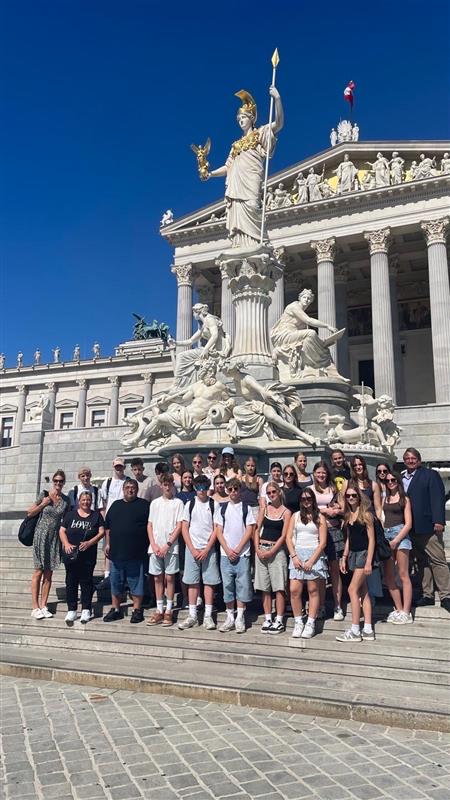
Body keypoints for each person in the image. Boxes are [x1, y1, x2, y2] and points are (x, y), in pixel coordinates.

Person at [207, 86, 284, 250]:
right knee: (237, 215)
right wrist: (210, 174)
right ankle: (240, 246)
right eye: (238, 118)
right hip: (236, 185)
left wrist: (277, 99)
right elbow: (228, 167)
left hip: (251, 180)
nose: (240, 120)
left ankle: (257, 245)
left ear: (251, 118)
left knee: (253, 207)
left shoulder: (260, 133)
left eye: (243, 117)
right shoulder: (235, 145)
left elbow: (278, 124)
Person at [402, 448, 450, 611]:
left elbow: (438, 498)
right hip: (411, 528)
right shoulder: (401, 478)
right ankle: (427, 594)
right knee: (421, 562)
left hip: (428, 526)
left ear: (419, 460)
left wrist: (439, 521)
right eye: (407, 458)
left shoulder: (430, 475)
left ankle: (446, 595)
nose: (410, 461)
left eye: (413, 458)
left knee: (438, 560)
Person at [103, 478, 150, 624]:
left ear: (137, 489)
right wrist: (108, 544)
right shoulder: (115, 505)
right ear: (123, 489)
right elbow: (108, 527)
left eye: (133, 487)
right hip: (116, 553)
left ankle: (137, 610)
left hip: (136, 553)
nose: (130, 489)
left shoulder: (144, 505)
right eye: (127, 487)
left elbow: (151, 526)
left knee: (136, 583)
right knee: (115, 583)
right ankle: (116, 609)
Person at [178, 476, 221, 631]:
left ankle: (208, 616)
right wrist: (192, 549)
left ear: (208, 488)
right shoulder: (189, 504)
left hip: (209, 550)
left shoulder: (214, 504)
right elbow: (184, 528)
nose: (201, 490)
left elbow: (217, 528)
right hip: (192, 550)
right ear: (195, 488)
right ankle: (192, 615)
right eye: (198, 487)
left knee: (209, 582)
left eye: (204, 487)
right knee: (192, 582)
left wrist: (208, 548)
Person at [214, 478, 256, 633]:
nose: (233, 492)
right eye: (230, 489)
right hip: (225, 554)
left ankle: (240, 617)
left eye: (236, 489)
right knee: (227, 586)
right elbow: (218, 531)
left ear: (240, 490)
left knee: (242, 586)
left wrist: (238, 549)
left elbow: (249, 530)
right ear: (227, 490)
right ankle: (230, 617)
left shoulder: (246, 508)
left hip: (242, 554)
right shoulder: (222, 508)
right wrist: (227, 549)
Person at [28, 470, 71, 619]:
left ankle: (44, 605)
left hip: (54, 539)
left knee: (49, 573)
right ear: (53, 481)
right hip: (40, 536)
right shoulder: (44, 494)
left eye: (61, 481)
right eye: (56, 480)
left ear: (64, 483)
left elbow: (66, 522)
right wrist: (43, 504)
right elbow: (30, 512)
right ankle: (35, 607)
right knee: (38, 571)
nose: (58, 483)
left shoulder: (66, 501)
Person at [336, 483, 375, 642]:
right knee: (363, 591)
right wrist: (344, 557)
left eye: (354, 495)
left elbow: (372, 540)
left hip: (364, 555)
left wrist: (369, 562)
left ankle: (355, 630)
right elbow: (349, 539)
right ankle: (368, 629)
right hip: (353, 554)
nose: (351, 498)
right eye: (348, 496)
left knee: (352, 589)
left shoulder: (366, 514)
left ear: (359, 497)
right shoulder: (348, 515)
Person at [287, 488, 328, 639]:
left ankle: (310, 622)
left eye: (309, 498)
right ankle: (298, 622)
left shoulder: (320, 517)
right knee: (294, 590)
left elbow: (323, 542)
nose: (306, 501)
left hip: (314, 554)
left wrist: (312, 560)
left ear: (313, 500)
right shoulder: (295, 516)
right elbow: (288, 538)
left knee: (313, 590)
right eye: (303, 499)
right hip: (297, 554)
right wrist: (294, 556)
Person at [59, 490, 105, 624]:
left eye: (88, 500)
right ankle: (72, 610)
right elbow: (62, 530)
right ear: (79, 501)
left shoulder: (96, 516)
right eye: (83, 500)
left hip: (88, 556)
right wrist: (66, 544)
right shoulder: (70, 515)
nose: (86, 502)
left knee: (86, 582)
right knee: (71, 582)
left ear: (91, 501)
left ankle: (86, 609)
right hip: (71, 555)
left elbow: (102, 532)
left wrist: (90, 542)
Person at [147, 474, 184, 627]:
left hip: (171, 547)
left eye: (170, 484)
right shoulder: (154, 503)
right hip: (155, 547)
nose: (167, 487)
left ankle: (169, 609)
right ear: (161, 485)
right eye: (165, 484)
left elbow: (179, 526)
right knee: (157, 578)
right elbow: (149, 525)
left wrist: (168, 544)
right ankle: (159, 609)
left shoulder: (178, 503)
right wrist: (154, 544)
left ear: (173, 485)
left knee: (169, 578)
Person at [254, 482, 291, 634]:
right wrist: (257, 548)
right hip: (262, 548)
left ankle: (279, 619)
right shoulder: (264, 509)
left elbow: (284, 535)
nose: (271, 495)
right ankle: (268, 617)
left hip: (277, 551)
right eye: (268, 493)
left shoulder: (286, 512)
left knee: (279, 587)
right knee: (265, 587)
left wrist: (272, 551)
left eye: (273, 492)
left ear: (279, 492)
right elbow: (256, 529)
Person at [311, 461, 345, 620]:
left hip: (333, 530)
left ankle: (338, 606)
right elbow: (308, 509)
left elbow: (343, 508)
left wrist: (335, 511)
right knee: (320, 571)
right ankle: (321, 605)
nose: (321, 475)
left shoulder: (334, 489)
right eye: (318, 472)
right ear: (314, 473)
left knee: (334, 570)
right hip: (316, 532)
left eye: (323, 472)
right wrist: (326, 510)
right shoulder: (310, 489)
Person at [382, 472, 413, 624]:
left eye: (393, 479)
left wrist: (397, 540)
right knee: (388, 576)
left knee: (403, 574)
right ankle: (399, 609)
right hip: (386, 535)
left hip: (400, 534)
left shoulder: (404, 499)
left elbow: (408, 524)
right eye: (387, 480)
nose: (390, 482)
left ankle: (407, 612)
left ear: (398, 481)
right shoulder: (385, 498)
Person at [99, 457, 128, 585]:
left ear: (124, 467)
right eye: (117, 466)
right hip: (110, 519)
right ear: (113, 466)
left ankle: (123, 575)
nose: (118, 468)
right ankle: (107, 575)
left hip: (124, 519)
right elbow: (103, 502)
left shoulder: (128, 481)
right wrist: (104, 519)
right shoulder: (107, 482)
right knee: (107, 547)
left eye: (120, 466)